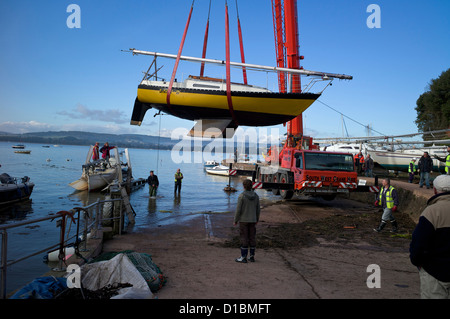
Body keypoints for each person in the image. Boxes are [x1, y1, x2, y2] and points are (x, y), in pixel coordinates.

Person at [409, 174, 450, 298]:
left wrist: (418, 262)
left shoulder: (431, 212)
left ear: (435, 190)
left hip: (434, 272)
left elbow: (418, 243)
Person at [234, 179, 260, 263]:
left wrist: (236, 220)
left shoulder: (241, 196)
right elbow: (258, 209)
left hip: (244, 220)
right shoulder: (256, 196)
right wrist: (257, 219)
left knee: (244, 238)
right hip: (253, 220)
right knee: (252, 237)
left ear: (244, 186)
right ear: (251, 186)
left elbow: (238, 210)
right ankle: (252, 256)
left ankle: (243, 257)